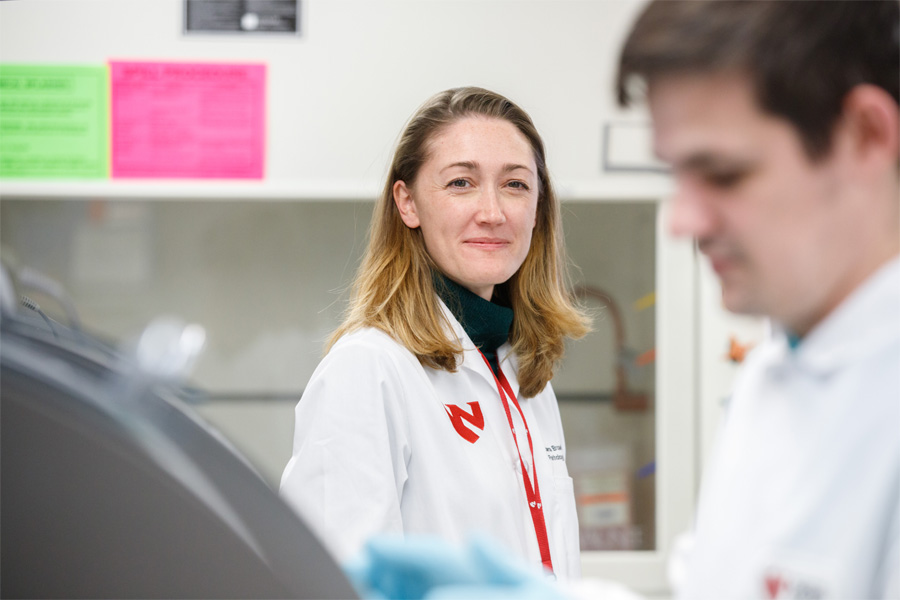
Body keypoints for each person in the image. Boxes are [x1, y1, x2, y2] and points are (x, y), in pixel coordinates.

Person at [345, 2, 900, 599]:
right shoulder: (774, 382)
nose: (682, 221)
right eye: (677, 177)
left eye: (723, 173)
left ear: (865, 137)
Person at [280, 86, 590, 582]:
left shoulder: (522, 373)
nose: (493, 211)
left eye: (515, 185)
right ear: (408, 203)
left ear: (538, 208)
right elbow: (333, 584)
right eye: (461, 183)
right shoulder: (369, 369)